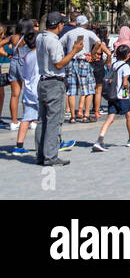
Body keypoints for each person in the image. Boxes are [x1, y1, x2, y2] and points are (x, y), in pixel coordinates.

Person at [36, 12, 80, 167]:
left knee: (42, 120)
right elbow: (59, 64)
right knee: (54, 120)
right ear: (59, 25)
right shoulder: (53, 42)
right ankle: (50, 156)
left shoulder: (40, 37)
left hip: (42, 81)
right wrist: (74, 51)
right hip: (54, 82)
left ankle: (41, 154)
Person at [93, 44, 130, 151]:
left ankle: (100, 139)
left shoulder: (114, 64)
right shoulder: (125, 66)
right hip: (122, 96)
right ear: (127, 55)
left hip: (112, 95)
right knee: (129, 115)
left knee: (110, 117)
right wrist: (128, 90)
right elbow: (125, 82)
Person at [60, 14, 99, 123]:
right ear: (85, 23)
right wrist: (92, 53)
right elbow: (99, 43)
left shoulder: (69, 33)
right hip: (84, 62)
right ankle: (86, 115)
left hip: (71, 61)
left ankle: (72, 116)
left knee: (71, 91)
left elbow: (60, 43)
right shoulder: (89, 33)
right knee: (88, 89)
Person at [9, 21, 39, 156]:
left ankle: (14, 121)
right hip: (25, 66)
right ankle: (35, 121)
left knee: (15, 94)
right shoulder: (30, 41)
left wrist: (6, 54)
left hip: (14, 62)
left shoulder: (13, 37)